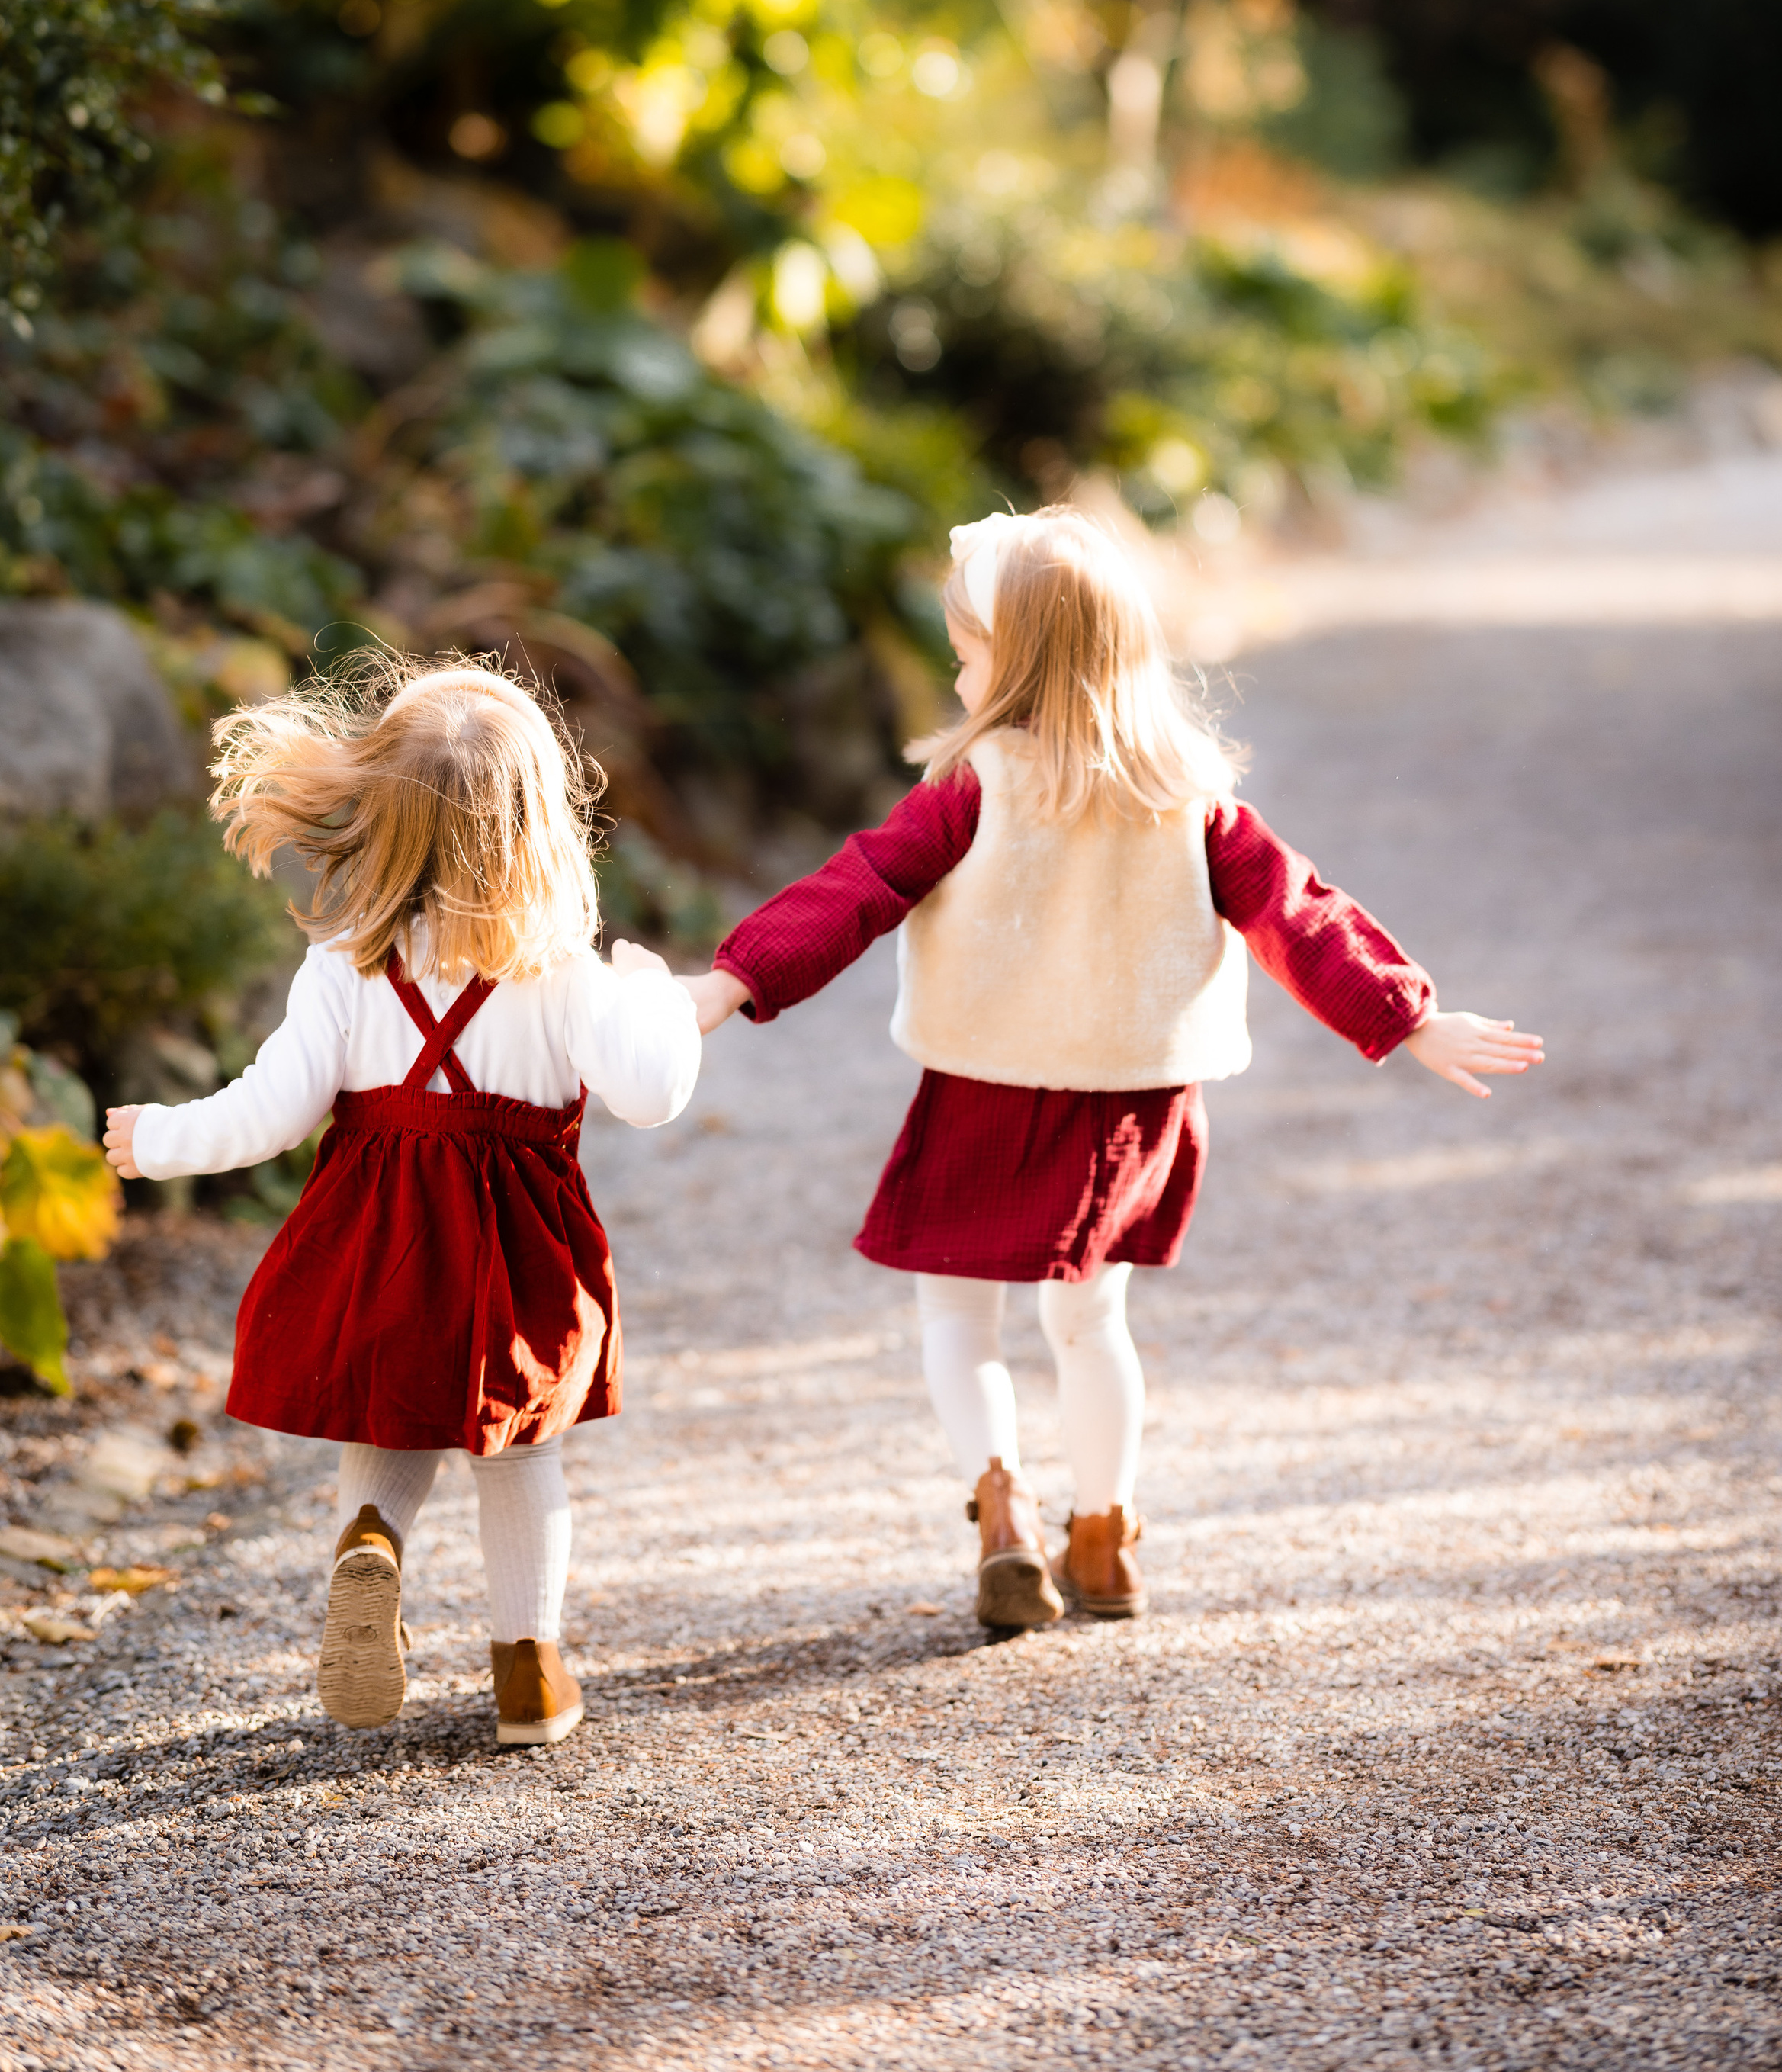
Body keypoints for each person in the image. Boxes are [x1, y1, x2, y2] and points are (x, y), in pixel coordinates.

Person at [683, 506, 1542, 1635]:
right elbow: (1300, 913)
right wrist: (1408, 1016)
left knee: (957, 1316)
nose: (956, 660)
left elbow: (854, 891)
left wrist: (730, 980)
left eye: (970, 644)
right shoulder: (1189, 794)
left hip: (988, 1082)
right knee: (1092, 1324)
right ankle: (1106, 1536)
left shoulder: (975, 786)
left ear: (1019, 661)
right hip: (1132, 1101)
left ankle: (1004, 1514)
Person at [104, 657, 701, 1747]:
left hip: (378, 1243)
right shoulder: (564, 970)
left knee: (389, 1418)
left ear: (382, 812)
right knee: (519, 1451)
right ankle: (529, 1666)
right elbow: (655, 1090)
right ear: (540, 824)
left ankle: (371, 1541)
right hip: (516, 1257)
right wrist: (655, 988)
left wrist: (157, 1137)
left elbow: (269, 1111)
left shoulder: (343, 964)